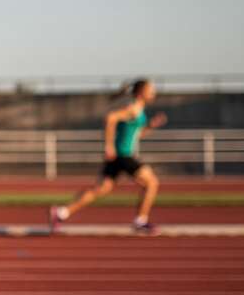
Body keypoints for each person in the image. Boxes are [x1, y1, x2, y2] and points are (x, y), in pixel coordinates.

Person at [50, 79, 166, 235]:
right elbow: (110, 118)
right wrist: (108, 145)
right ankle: (140, 221)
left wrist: (150, 126)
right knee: (152, 183)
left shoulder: (139, 110)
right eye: (150, 90)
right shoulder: (133, 108)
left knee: (101, 189)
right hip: (123, 154)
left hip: (119, 155)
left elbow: (136, 134)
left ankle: (61, 213)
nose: (154, 92)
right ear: (141, 92)